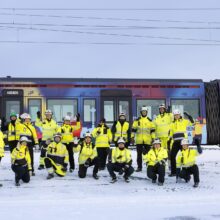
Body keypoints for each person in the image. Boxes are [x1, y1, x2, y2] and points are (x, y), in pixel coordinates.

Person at [168, 109, 194, 177]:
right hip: (175, 142)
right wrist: (169, 140)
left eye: (177, 115)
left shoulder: (184, 121)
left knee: (184, 156)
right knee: (172, 156)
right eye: (175, 115)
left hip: (183, 142)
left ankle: (186, 171)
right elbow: (170, 134)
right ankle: (173, 172)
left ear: (180, 115)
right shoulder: (172, 124)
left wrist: (189, 117)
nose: (176, 116)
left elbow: (192, 123)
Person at [131, 106, 155, 172]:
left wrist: (153, 138)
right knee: (139, 155)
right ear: (141, 112)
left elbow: (153, 130)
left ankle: (150, 166)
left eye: (145, 112)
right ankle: (139, 167)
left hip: (147, 140)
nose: (144, 113)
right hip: (139, 140)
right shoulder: (137, 120)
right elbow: (133, 129)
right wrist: (132, 137)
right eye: (143, 112)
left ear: (146, 112)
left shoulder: (150, 121)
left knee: (149, 153)